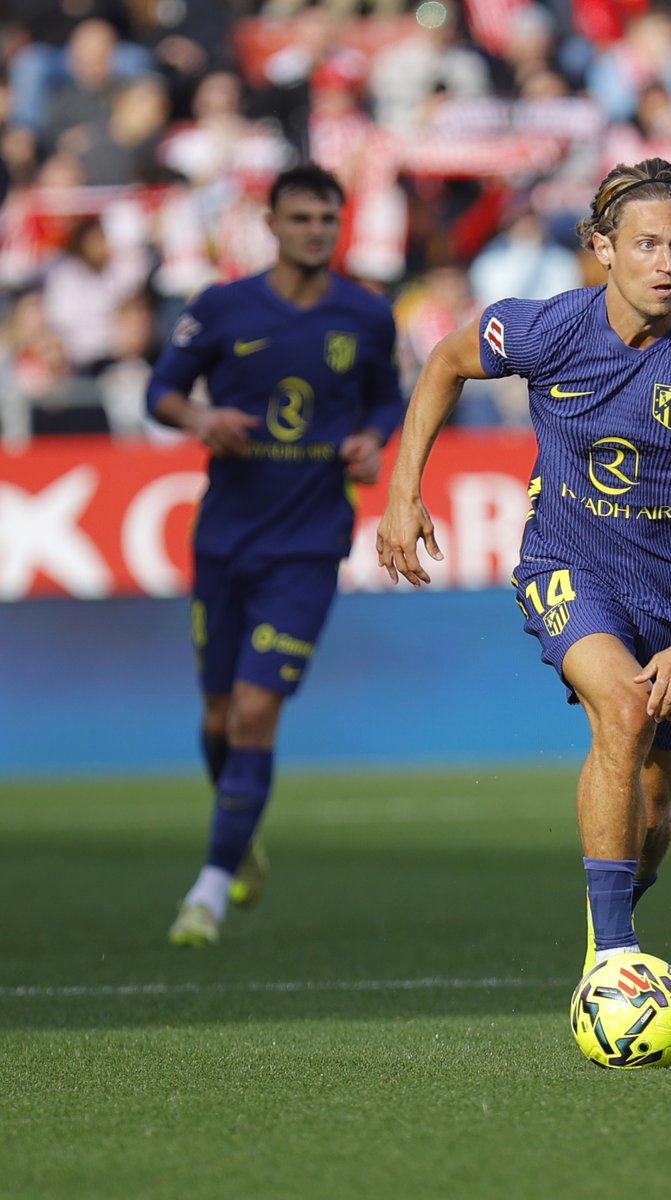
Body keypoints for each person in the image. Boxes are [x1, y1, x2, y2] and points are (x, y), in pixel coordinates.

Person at [376, 158, 671, 980]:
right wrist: (402, 490)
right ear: (603, 249)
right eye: (646, 245)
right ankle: (614, 959)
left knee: (653, 813)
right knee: (624, 711)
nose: (666, 263)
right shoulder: (546, 329)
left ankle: (620, 906)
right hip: (566, 566)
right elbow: (445, 362)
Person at [146, 162, 404, 947]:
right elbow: (161, 391)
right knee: (219, 715)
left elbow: (387, 397)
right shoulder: (222, 307)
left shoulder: (367, 314)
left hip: (310, 541)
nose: (315, 232)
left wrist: (373, 439)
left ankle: (208, 891)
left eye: (327, 219)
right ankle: (240, 832)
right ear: (271, 225)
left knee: (256, 710)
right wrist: (201, 420)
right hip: (226, 536)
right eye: (301, 219)